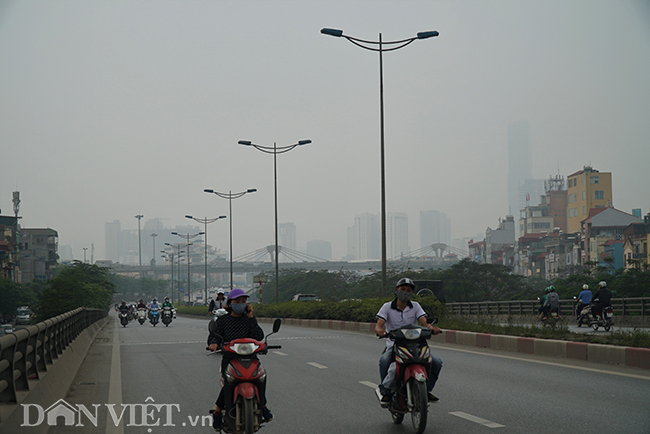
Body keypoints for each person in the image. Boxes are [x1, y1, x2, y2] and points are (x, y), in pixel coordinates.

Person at [207, 288, 272, 431]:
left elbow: (258, 336)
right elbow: (214, 336)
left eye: (244, 301)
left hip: (250, 357)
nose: (241, 304)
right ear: (230, 303)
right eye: (237, 301)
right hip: (230, 358)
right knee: (228, 383)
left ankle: (264, 406)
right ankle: (218, 412)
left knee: (261, 377)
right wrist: (213, 343)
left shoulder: (248, 320)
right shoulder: (223, 320)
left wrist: (251, 317)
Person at [375, 277, 443, 405]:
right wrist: (380, 330)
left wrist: (431, 328)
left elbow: (424, 322)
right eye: (403, 289)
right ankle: (385, 391)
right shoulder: (387, 307)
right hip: (395, 345)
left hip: (416, 344)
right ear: (397, 290)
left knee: (437, 362)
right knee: (384, 360)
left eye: (408, 290)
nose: (405, 292)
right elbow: (379, 324)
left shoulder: (415, 306)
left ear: (412, 293)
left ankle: (426, 391)